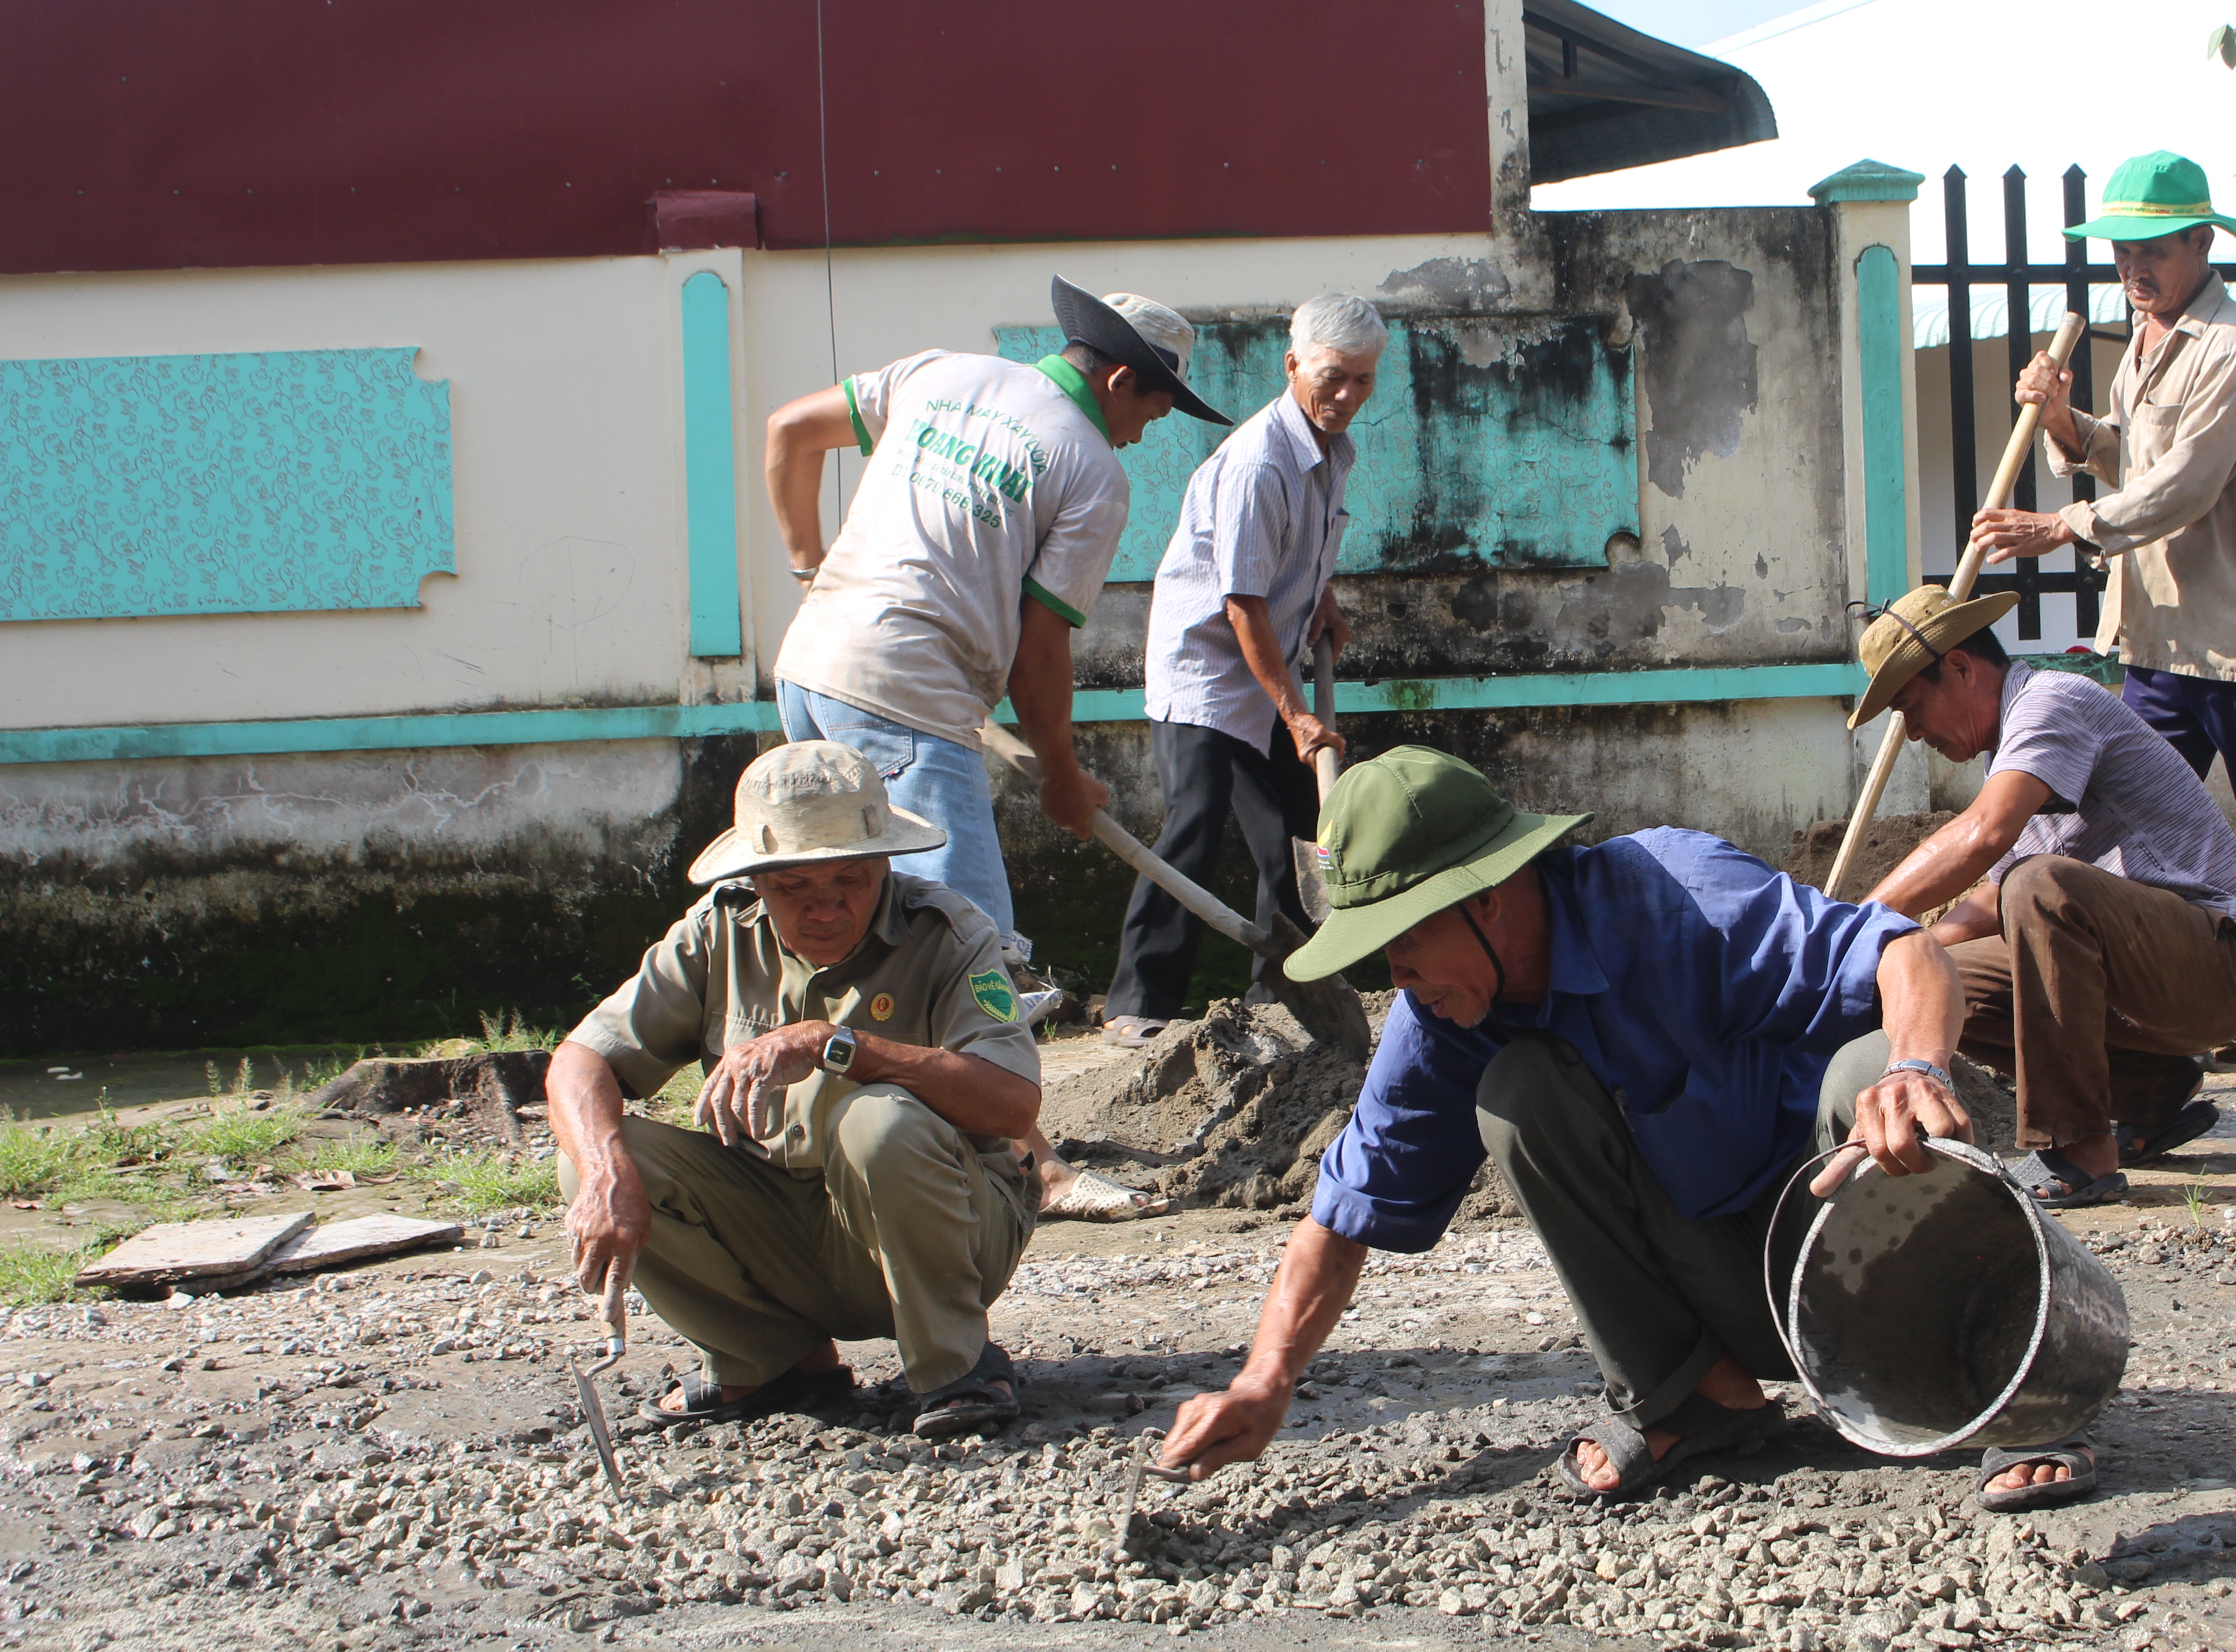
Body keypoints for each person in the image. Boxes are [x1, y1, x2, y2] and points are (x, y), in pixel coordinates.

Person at [1151, 747, 2095, 1514]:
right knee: (1515, 1093)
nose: (1394, 975)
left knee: (1865, 1071)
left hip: (1864, 1261)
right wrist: (1264, 1381)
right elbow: (1343, 1210)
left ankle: (2006, 1392)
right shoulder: (1442, 1018)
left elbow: (1908, 950)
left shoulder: (1675, 895)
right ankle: (1695, 1400)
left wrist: (1912, 1070)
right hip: (1740, 1294)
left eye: (1401, 940)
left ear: (1484, 895)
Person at [762, 275, 1229, 1216]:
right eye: (1155, 405)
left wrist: (810, 566)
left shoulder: (942, 372)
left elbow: (786, 433)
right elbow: (1040, 648)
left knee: (859, 926)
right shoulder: (1092, 469)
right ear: (1118, 384)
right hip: (907, 703)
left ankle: (833, 1136)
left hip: (810, 672)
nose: (1149, 428)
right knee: (974, 944)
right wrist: (1062, 775)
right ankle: (1036, 1167)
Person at [1962, 150, 2236, 1092]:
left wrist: (2059, 525)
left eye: (2151, 251)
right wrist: (2062, 423)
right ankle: (2168, 1013)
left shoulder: (2232, 346)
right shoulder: (2142, 346)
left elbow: (2186, 485)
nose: (2132, 271)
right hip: (2155, 639)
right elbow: (2125, 462)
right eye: (2118, 254)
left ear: (2200, 243)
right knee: (2120, 832)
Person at [548, 740, 1046, 1437]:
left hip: (941, 1225)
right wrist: (605, 1175)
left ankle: (955, 1365)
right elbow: (579, 1061)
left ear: (885, 862)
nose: (826, 908)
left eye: (851, 880)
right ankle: (771, 1363)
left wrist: (836, 1045)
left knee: (882, 1121)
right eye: (794, 889)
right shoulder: (717, 932)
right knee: (591, 1154)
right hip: (776, 1222)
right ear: (756, 882)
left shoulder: (951, 933)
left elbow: (1013, 1103)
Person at [1851, 585, 2236, 1211]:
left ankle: (2078, 1149)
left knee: (2043, 886)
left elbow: (1986, 838)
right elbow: (1995, 892)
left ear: (1961, 668)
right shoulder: (2007, 754)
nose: (1913, 732)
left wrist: (1851, 927)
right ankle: (2147, 1091)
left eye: (1912, 707)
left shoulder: (2051, 702)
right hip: (2148, 978)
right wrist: (1897, 956)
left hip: (2224, 962)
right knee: (1929, 979)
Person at [1106, 292, 1389, 1042]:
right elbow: (1242, 604)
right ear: (1292, 365)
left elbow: (1293, 551)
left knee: (1300, 835)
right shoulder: (1261, 461)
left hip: (1271, 671)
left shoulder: (1332, 450)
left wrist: (1323, 595)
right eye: (1332, 377)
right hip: (1207, 672)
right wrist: (1298, 715)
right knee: (1193, 827)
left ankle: (1283, 997)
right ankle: (1138, 1007)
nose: (1346, 396)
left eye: (1363, 381)